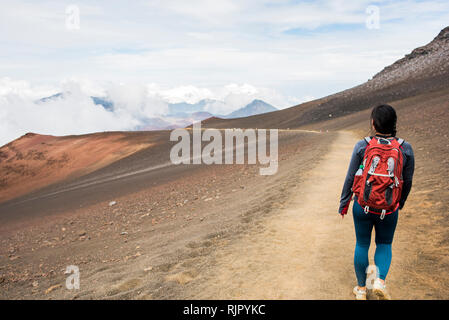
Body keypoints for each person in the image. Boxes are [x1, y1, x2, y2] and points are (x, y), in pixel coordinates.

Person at [339, 104, 415, 300]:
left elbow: (350, 178)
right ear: (394, 124)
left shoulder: (362, 145)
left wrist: (344, 202)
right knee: (384, 243)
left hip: (362, 206)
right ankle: (380, 281)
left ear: (373, 123)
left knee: (362, 244)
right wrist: (400, 202)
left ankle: (361, 289)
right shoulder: (405, 148)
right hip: (389, 209)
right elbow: (407, 181)